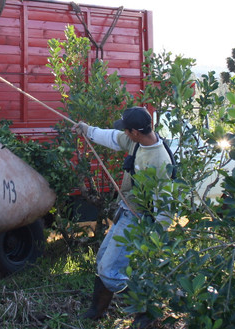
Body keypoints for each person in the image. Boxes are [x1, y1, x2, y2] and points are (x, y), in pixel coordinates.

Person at [74, 106, 175, 328]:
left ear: (135, 132)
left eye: (126, 130)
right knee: (102, 262)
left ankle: (145, 311)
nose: (123, 133)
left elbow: (165, 206)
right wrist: (87, 129)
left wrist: (156, 237)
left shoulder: (160, 161)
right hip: (126, 211)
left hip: (139, 219)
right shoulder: (136, 140)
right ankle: (96, 312)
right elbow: (111, 137)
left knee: (110, 271)